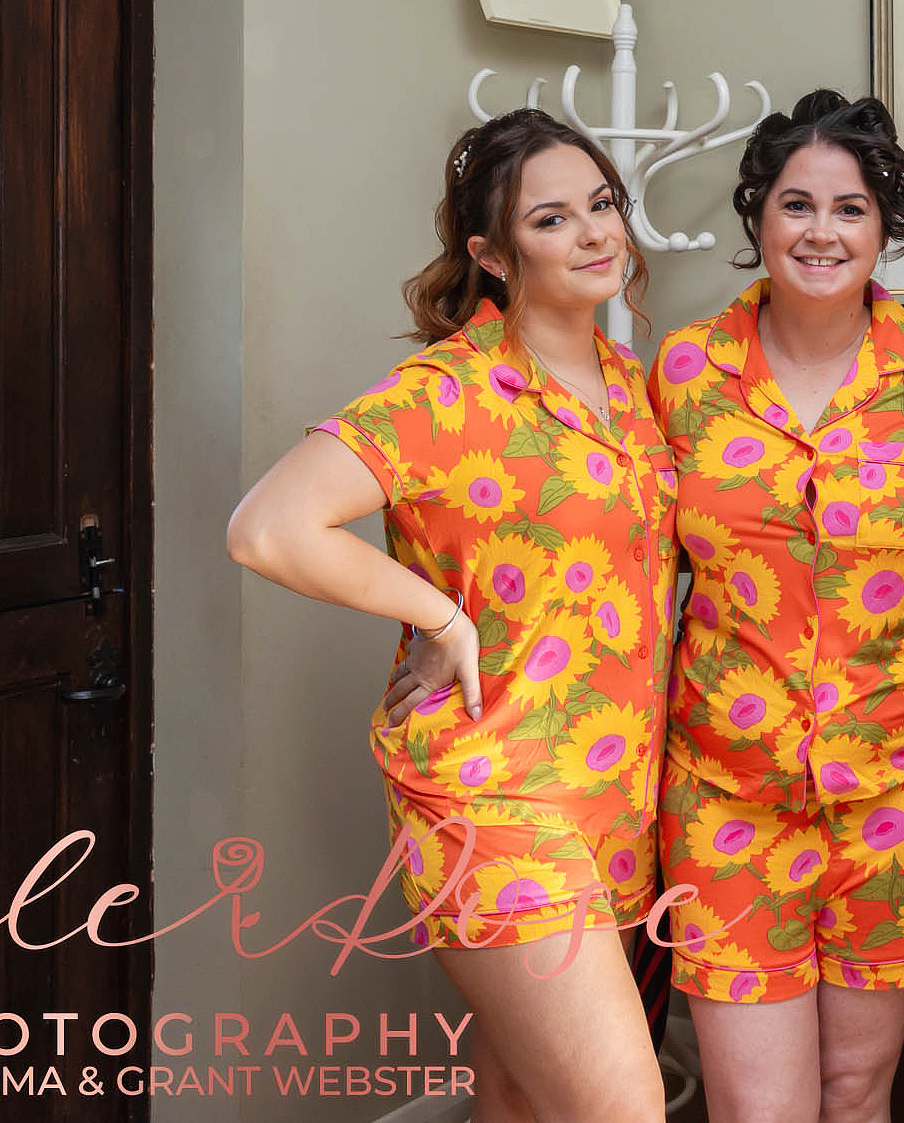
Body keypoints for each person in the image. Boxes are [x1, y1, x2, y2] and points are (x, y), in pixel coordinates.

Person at [227, 109, 676, 1123]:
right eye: (553, 219)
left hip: (614, 799)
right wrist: (440, 616)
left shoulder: (629, 388)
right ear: (491, 254)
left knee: (520, 1100)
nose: (595, 233)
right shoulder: (445, 393)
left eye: (600, 204)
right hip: (495, 800)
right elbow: (267, 528)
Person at [650, 89, 904, 1123]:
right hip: (723, 786)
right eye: (796, 204)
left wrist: (850, 624)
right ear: (757, 218)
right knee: (758, 1106)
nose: (821, 232)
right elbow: (637, 559)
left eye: (850, 208)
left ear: (887, 229)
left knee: (852, 1088)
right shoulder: (684, 370)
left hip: (901, 786)